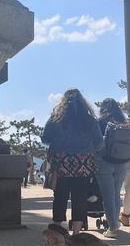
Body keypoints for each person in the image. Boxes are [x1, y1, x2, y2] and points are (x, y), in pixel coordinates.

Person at [41, 89, 102, 235]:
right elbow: (99, 142)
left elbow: (45, 138)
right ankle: (76, 232)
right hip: (83, 163)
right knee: (80, 196)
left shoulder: (55, 118)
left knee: (60, 194)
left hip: (61, 162)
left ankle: (57, 226)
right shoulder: (90, 120)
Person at [95, 98, 130, 238]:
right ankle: (115, 222)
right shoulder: (124, 122)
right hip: (122, 161)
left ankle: (112, 227)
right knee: (116, 194)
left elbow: (97, 142)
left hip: (104, 161)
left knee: (108, 195)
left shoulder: (100, 122)